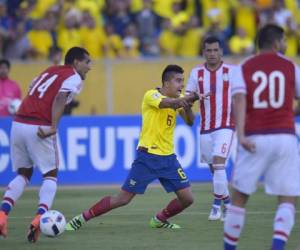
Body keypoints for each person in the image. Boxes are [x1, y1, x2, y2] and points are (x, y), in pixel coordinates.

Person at [65, 65, 200, 231]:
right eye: (178, 81)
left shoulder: (178, 100)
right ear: (166, 82)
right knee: (122, 199)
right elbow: (166, 103)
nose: (182, 85)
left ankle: (159, 219)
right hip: (148, 157)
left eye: (183, 81)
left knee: (187, 199)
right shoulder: (152, 95)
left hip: (169, 159)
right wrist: (186, 98)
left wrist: (187, 105)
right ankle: (81, 218)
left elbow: (190, 122)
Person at [0, 47, 91, 242]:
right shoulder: (73, 76)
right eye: (87, 62)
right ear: (76, 62)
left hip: (18, 123)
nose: (89, 67)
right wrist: (53, 126)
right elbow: (59, 98)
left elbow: (32, 88)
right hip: (39, 126)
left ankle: (2, 214)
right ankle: (39, 219)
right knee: (50, 175)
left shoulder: (49, 70)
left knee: (23, 174)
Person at [224, 24, 300, 250]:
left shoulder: (244, 66)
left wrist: (241, 135)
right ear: (276, 42)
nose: (286, 45)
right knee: (287, 198)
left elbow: (239, 100)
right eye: (284, 40)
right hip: (285, 137)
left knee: (239, 198)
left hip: (255, 138)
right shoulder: (290, 66)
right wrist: (289, 112)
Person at [185, 36, 239, 221]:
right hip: (205, 128)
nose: (212, 54)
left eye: (216, 50)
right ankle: (229, 205)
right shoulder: (196, 73)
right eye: (209, 50)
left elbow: (242, 95)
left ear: (221, 51)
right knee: (215, 171)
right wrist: (195, 97)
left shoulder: (232, 71)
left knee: (218, 164)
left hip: (225, 126)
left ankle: (216, 207)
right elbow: (187, 98)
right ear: (203, 52)